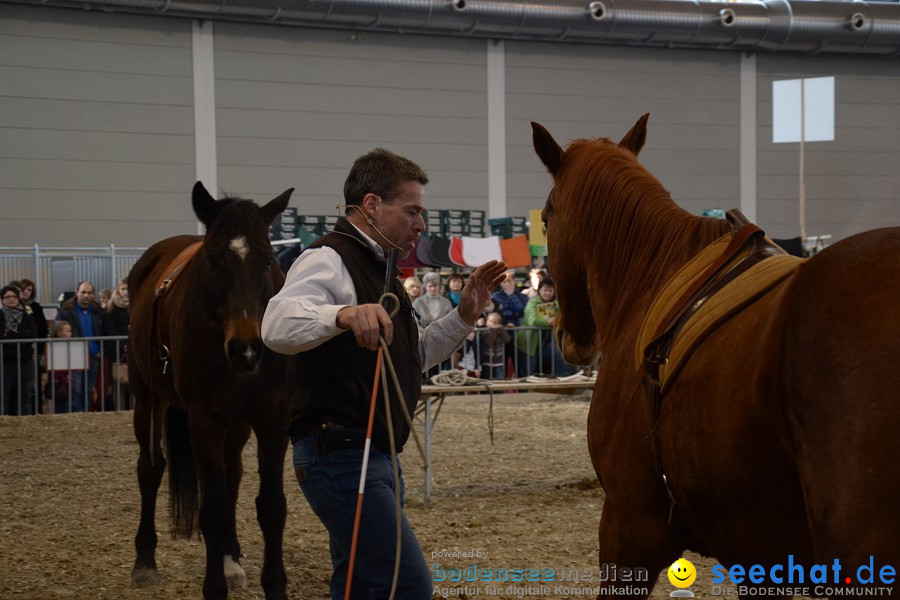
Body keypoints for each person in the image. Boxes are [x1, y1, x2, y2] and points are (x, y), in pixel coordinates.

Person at [261, 147, 507, 600]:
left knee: (358, 585)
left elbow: (408, 355)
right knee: (407, 586)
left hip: (371, 457)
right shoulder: (328, 258)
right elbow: (275, 326)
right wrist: (341, 315)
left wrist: (464, 317)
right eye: (412, 210)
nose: (420, 224)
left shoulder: (383, 269)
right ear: (372, 205)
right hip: (340, 456)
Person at [54, 281, 106, 412]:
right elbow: (57, 330)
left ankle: (86, 414)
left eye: (89, 293)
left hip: (93, 356)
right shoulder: (66, 311)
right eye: (83, 292)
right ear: (77, 293)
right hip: (74, 356)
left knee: (88, 389)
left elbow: (105, 330)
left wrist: (102, 349)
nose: (86, 295)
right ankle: (77, 415)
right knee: (75, 389)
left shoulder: (99, 311)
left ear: (93, 295)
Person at [516, 277, 576, 377]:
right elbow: (533, 321)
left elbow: (565, 316)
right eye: (545, 290)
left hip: (547, 343)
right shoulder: (532, 302)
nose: (547, 293)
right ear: (540, 290)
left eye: (550, 290)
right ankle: (527, 391)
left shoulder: (556, 304)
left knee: (559, 357)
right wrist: (549, 321)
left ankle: (562, 381)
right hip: (529, 344)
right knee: (529, 371)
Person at [1, 285, 38, 415]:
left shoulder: (27, 316)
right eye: (7, 297)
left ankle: (26, 428)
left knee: (25, 397)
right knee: (3, 397)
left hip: (25, 362)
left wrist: (10, 336)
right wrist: (20, 338)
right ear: (2, 300)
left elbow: (33, 335)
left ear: (18, 299)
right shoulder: (0, 316)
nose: (11, 299)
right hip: (4, 362)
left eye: (14, 296)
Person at [104, 278, 130, 410]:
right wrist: (123, 344)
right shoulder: (112, 306)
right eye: (123, 289)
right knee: (118, 383)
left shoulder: (135, 305)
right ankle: (119, 409)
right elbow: (110, 327)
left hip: (132, 349)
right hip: (117, 350)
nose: (126, 292)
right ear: (118, 290)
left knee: (134, 383)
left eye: (128, 289)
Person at [44, 320, 74, 414]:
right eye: (68, 331)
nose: (70, 334)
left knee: (67, 402)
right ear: (59, 333)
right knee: (60, 403)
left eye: (70, 331)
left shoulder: (71, 346)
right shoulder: (52, 346)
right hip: (58, 380)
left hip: (67, 379)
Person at [479, 311, 510, 379]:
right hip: (487, 361)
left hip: (499, 362)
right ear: (487, 322)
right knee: (488, 380)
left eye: (495, 322)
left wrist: (502, 329)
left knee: (500, 380)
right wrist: (493, 331)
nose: (492, 323)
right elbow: (488, 343)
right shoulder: (485, 332)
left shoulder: (500, 331)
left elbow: (507, 340)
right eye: (490, 321)